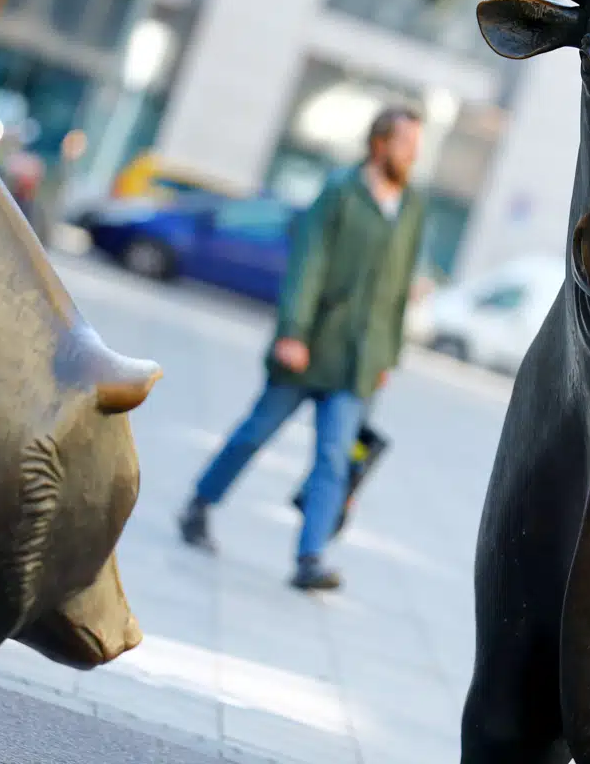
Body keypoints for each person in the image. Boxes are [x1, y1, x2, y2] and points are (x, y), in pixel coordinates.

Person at [178, 106, 427, 590]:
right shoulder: (339, 193)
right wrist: (292, 332)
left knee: (335, 457)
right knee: (255, 433)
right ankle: (199, 504)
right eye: (405, 144)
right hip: (310, 347)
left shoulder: (413, 206)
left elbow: (399, 289)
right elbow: (306, 265)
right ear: (378, 144)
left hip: (361, 361)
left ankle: (309, 558)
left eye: (417, 146)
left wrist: (389, 355)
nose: (413, 155)